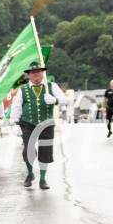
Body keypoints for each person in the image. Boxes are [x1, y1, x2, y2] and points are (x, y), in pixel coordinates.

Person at [9, 61, 67, 189]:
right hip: (27, 124)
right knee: (28, 150)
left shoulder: (51, 86)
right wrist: (14, 123)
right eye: (33, 72)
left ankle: (42, 179)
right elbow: (17, 107)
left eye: (39, 71)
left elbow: (65, 100)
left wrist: (55, 100)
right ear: (29, 75)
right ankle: (30, 174)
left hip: (46, 124)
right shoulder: (22, 90)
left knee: (45, 152)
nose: (36, 74)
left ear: (42, 73)